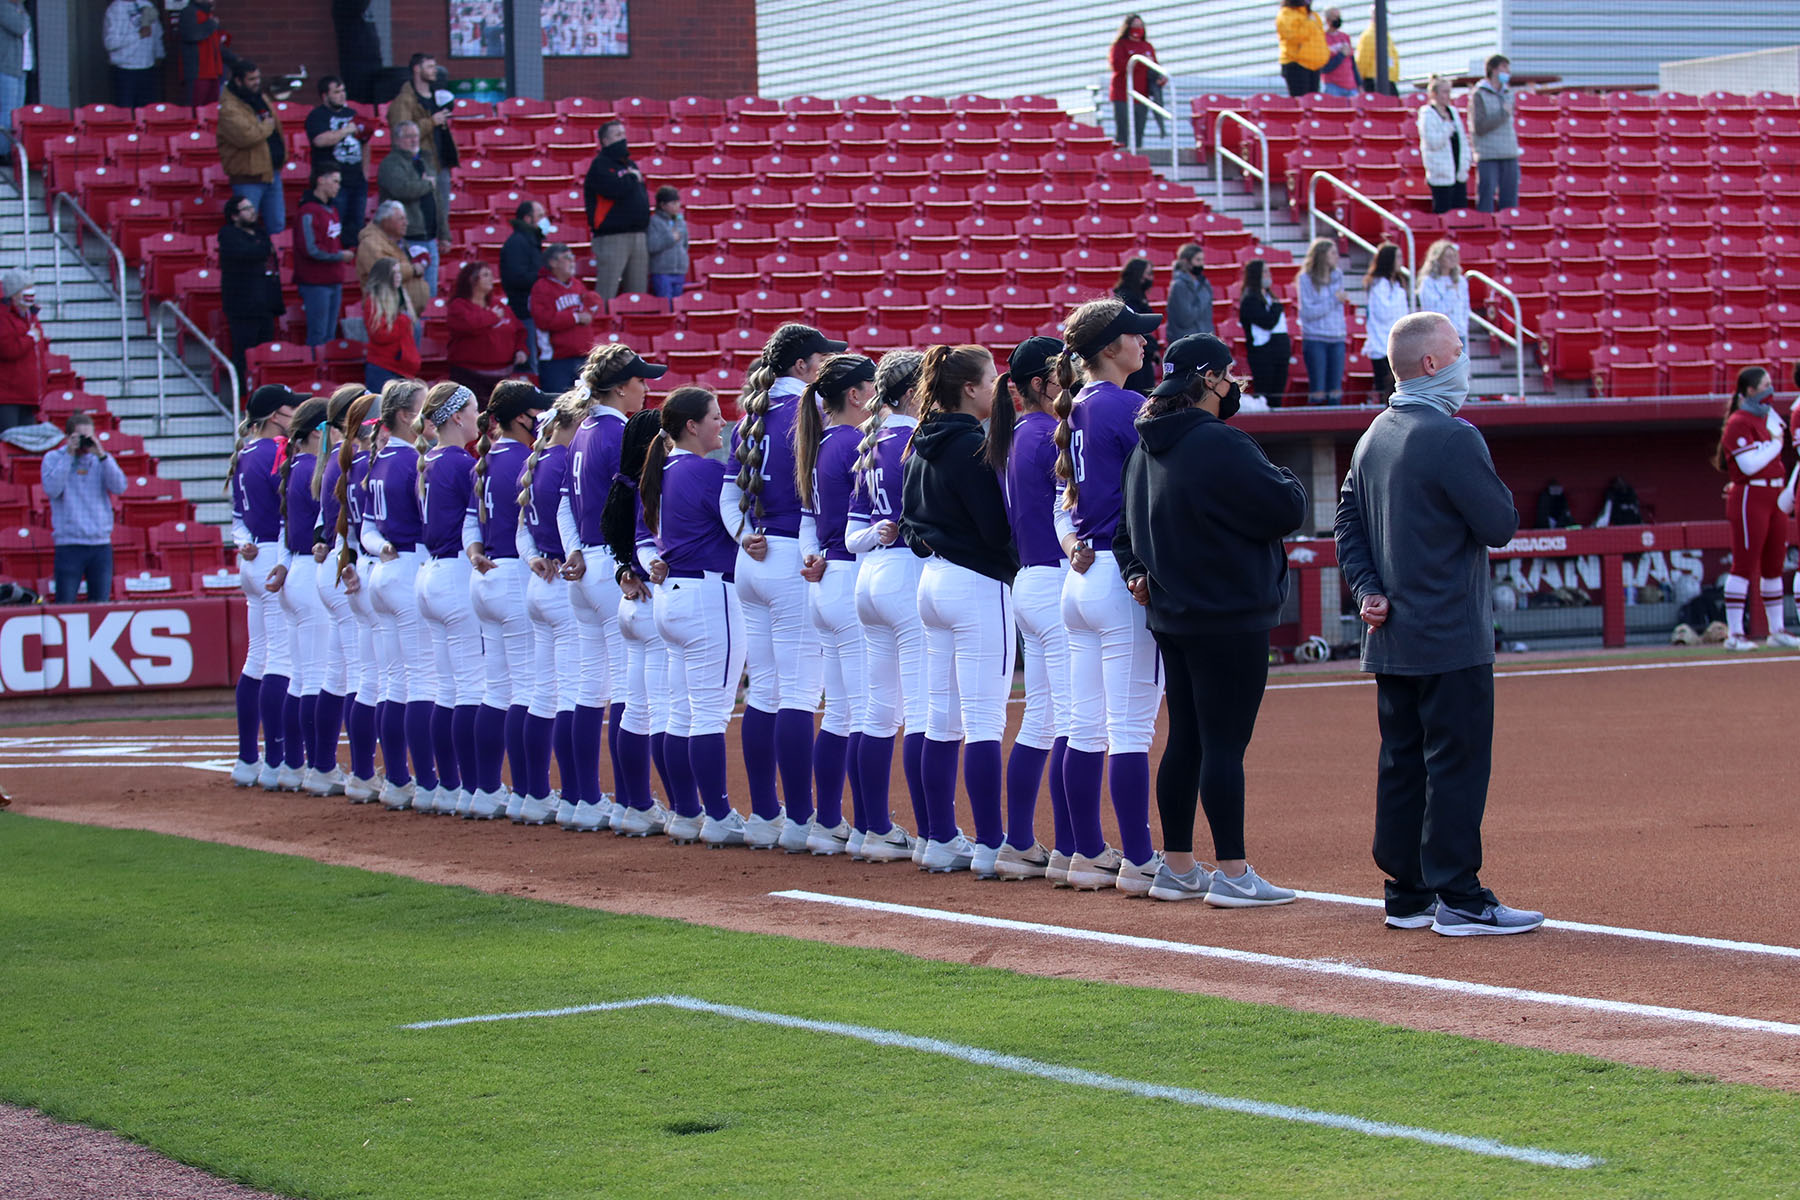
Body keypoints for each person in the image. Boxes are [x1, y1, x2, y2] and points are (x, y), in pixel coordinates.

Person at [1334, 310, 1543, 936]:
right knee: (1456, 763)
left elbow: (1346, 524)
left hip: (1391, 636)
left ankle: (1407, 893)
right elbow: (1500, 524)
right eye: (1458, 350)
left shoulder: (1374, 433)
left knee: (1403, 763)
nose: (1465, 360)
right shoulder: (1453, 435)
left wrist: (1367, 589)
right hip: (1450, 633)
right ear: (1432, 363)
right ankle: (1460, 896)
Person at [1117, 334, 1307, 905]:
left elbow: (1122, 532)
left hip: (1174, 613)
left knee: (1188, 740)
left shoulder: (1142, 447)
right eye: (1227, 374)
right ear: (1207, 379)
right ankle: (1232, 871)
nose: (1234, 385)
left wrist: (1137, 572)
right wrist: (1287, 480)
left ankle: (1177, 866)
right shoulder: (1222, 443)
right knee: (1225, 744)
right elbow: (1287, 506)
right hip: (1231, 613)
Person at [1054, 297, 1166, 894]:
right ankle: (1139, 858)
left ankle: (1086, 852)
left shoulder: (1075, 405)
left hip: (1081, 574)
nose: (1145, 342)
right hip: (1120, 576)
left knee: (1084, 727)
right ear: (1107, 349)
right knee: (1128, 731)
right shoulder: (1126, 404)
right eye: (1134, 335)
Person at [721, 324, 847, 847]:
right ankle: (801, 820)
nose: (825, 368)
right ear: (801, 367)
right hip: (794, 558)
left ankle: (767, 814)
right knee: (797, 692)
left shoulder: (751, 415)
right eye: (821, 360)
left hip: (753, 560)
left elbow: (729, 497)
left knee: (766, 691)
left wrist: (746, 535)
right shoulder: (812, 412)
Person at [901, 343, 1019, 874]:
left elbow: (909, 524)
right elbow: (995, 529)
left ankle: (936, 839)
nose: (998, 388)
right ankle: (992, 844)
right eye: (992, 380)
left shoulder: (918, 437)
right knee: (984, 722)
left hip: (932, 583)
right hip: (975, 583)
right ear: (969, 388)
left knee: (941, 719)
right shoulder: (972, 442)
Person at [557, 344, 668, 833]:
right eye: (640, 380)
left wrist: (573, 550)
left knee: (588, 687)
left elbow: (564, 500)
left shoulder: (580, 429)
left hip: (588, 563)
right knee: (628, 688)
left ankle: (581, 798)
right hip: (615, 567)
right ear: (621, 387)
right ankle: (633, 802)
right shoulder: (619, 431)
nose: (646, 387)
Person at [640, 386, 748, 845]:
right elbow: (742, 520)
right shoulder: (706, 471)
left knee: (680, 713)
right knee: (707, 714)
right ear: (691, 425)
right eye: (714, 417)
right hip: (706, 594)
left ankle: (687, 811)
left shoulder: (659, 469)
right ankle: (719, 816)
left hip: (671, 595)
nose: (721, 424)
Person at [793, 354, 879, 854]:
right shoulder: (853, 442)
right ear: (855, 394)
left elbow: (810, 518)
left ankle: (830, 821)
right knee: (866, 711)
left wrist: (812, 555)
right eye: (870, 387)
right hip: (849, 577)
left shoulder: (822, 442)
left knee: (841, 712)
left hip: (827, 577)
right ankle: (870, 827)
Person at [846, 351, 928, 863]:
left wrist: (877, 533)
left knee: (876, 710)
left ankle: (869, 827)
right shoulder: (914, 439)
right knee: (922, 709)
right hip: (905, 577)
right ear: (914, 391)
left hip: (869, 576)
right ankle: (934, 832)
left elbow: (851, 536)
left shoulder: (870, 442)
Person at [998, 337, 1072, 880]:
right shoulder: (1051, 433)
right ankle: (1075, 845)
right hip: (1055, 578)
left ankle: (1020, 841)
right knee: (1074, 720)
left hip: (1028, 579)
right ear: (1041, 383)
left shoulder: (1014, 435)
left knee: (1041, 719)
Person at [360, 378, 442, 811]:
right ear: (409, 416)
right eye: (425, 408)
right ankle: (427, 782)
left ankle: (396, 778)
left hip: (384, 569)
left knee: (394, 681)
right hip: (410, 566)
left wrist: (381, 548)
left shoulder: (378, 457)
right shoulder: (412, 460)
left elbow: (367, 530)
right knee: (422, 681)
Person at [601, 408, 677, 835]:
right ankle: (681, 805)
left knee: (633, 710)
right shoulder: (658, 482)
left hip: (630, 604)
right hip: (653, 603)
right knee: (664, 712)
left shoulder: (625, 483)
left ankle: (633, 804)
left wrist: (623, 570)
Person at [411, 381, 485, 814]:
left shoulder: (430, 459)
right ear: (457, 416)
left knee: (447, 689)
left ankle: (448, 784)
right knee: (471, 688)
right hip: (455, 571)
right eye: (474, 409)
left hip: (430, 571)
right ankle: (475, 787)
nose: (478, 417)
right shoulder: (460, 462)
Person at [226, 384, 299, 790]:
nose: (296, 415)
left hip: (253, 556)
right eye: (291, 409)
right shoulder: (276, 451)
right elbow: (290, 510)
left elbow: (237, 518)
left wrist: (242, 542)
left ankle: (247, 759)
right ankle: (276, 761)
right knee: (280, 661)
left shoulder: (243, 453)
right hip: (276, 556)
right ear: (275, 415)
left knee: (258, 657)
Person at [515, 394, 583, 826]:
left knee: (543, 693)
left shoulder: (537, 460)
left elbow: (520, 527)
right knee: (575, 696)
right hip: (563, 581)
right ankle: (577, 795)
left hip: (540, 578)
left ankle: (534, 792)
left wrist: (531, 557)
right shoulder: (562, 460)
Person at [266, 397, 333, 797]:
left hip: (296, 569)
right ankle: (316, 766)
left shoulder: (293, 465)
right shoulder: (313, 467)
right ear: (316, 433)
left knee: (301, 676)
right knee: (315, 678)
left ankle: (294, 763)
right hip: (308, 571)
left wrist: (283, 562)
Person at [1715, 368, 1800, 652]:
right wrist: (1776, 444)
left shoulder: (1765, 416)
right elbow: (1750, 465)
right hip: (1751, 493)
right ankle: (1735, 633)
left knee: (1774, 565)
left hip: (1774, 493)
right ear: (1750, 390)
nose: (1770, 389)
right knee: (1744, 564)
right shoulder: (1739, 421)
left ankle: (1776, 630)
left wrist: (1775, 440)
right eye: (1765, 385)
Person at [40, 411, 129, 605]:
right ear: (68, 437)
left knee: (100, 606)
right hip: (69, 545)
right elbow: (52, 490)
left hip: (100, 545)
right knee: (65, 604)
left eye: (88, 437)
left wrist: (103, 456)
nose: (84, 442)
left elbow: (120, 486)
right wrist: (69, 455)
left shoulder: (102, 460)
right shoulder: (53, 458)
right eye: (80, 437)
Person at [385, 52, 457, 257]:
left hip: (439, 162)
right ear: (416, 69)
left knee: (440, 208)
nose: (435, 70)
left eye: (435, 66)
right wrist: (431, 122)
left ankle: (438, 243)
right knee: (419, 212)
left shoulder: (436, 96)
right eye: (430, 66)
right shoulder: (404, 100)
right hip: (417, 165)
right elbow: (401, 132)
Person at [217, 193, 283, 394]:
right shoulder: (227, 234)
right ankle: (243, 394)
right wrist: (260, 250)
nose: (252, 212)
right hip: (242, 305)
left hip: (265, 303)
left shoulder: (260, 233)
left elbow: (264, 251)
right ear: (235, 215)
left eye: (252, 208)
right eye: (246, 209)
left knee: (265, 352)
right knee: (243, 352)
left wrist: (259, 249)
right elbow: (249, 253)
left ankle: (265, 392)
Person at [217, 60, 287, 235]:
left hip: (271, 172)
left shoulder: (260, 97)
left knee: (278, 226)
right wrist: (266, 126)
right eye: (251, 79)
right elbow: (245, 137)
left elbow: (276, 127)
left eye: (258, 78)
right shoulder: (229, 108)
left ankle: (277, 261)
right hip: (248, 178)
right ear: (239, 81)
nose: (257, 82)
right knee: (246, 227)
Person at [584, 120, 651, 301]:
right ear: (605, 141)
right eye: (618, 135)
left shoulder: (630, 164)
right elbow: (612, 189)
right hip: (612, 237)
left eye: (624, 134)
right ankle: (601, 326)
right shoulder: (600, 165)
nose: (623, 139)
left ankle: (634, 327)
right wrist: (631, 178)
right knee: (607, 289)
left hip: (638, 235)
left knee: (637, 294)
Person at [528, 243, 603, 394]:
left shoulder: (577, 284)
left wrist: (590, 308)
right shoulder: (541, 287)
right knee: (559, 406)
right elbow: (543, 320)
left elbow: (590, 304)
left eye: (573, 257)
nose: (572, 261)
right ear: (553, 263)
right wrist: (575, 317)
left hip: (583, 357)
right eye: (567, 258)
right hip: (556, 361)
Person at [378, 121, 441, 299]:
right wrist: (427, 183)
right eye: (408, 136)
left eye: (416, 136)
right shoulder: (391, 164)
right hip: (407, 240)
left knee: (430, 296)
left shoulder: (424, 162)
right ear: (397, 140)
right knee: (410, 295)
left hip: (429, 237)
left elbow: (438, 200)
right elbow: (402, 189)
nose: (414, 140)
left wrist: (444, 233)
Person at [445, 260, 527, 395]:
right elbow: (469, 325)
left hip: (503, 378)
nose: (491, 279)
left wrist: (521, 349)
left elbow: (519, 330)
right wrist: (492, 317)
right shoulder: (458, 306)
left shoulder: (498, 305)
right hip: (470, 377)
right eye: (485, 275)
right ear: (472, 279)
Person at [305, 75, 371, 245]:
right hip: (333, 183)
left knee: (357, 228)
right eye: (336, 92)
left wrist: (365, 172)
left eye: (343, 91)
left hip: (356, 181)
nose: (342, 95)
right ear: (325, 96)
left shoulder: (353, 114)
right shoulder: (317, 116)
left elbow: (366, 142)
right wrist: (347, 130)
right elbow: (320, 140)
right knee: (334, 228)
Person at [294, 167, 354, 347]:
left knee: (329, 334)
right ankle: (315, 371)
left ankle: (326, 372)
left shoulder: (332, 210)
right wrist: (339, 255)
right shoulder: (308, 212)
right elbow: (310, 248)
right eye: (335, 181)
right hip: (316, 283)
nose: (338, 186)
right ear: (321, 180)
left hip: (334, 279)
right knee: (318, 334)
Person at [1297, 238, 1347, 405]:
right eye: (1332, 252)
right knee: (1317, 389)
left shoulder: (1338, 275)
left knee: (1335, 389)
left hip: (1338, 337)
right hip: (1315, 338)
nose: (1337, 256)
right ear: (1322, 255)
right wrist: (1333, 300)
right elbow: (1308, 313)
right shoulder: (1305, 279)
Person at [356, 199, 429, 314]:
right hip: (387, 312)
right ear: (385, 221)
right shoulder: (370, 244)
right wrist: (413, 269)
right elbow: (383, 271)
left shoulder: (399, 241)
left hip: (408, 309)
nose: (406, 223)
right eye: (401, 219)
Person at [501, 199, 549, 368]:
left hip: (532, 309)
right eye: (541, 215)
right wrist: (543, 277)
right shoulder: (518, 243)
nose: (545, 219)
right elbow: (516, 277)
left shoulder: (530, 241)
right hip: (524, 310)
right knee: (531, 361)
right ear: (528, 219)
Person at [1470, 54, 1521, 213]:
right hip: (1488, 154)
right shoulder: (1479, 94)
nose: (1508, 71)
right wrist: (1502, 114)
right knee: (1486, 199)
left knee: (1510, 200)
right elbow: (1479, 126)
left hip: (1509, 152)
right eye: (1503, 67)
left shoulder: (1508, 93)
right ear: (1493, 69)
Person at [1363, 242, 1410, 404]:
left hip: (1399, 344)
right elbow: (1383, 313)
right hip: (1381, 343)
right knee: (1385, 385)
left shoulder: (1398, 283)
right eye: (1397, 257)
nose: (1400, 260)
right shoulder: (1378, 284)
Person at [363, 257, 420, 392]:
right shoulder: (374, 302)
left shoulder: (403, 298)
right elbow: (380, 335)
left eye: (399, 273)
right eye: (393, 273)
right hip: (383, 369)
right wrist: (404, 320)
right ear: (383, 275)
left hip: (404, 369)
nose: (398, 277)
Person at [1239, 258, 1290, 406]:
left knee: (1277, 394)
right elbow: (1267, 322)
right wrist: (1276, 308)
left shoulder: (1271, 298)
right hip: (1263, 355)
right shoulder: (1249, 300)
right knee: (1265, 395)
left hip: (1280, 352)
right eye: (1265, 272)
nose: (1269, 275)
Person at [1418, 74, 1471, 214]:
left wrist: (1466, 161)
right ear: (1434, 94)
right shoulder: (1427, 114)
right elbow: (1432, 142)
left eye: (1449, 92)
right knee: (1443, 212)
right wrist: (1447, 128)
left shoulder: (1453, 111)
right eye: (1445, 92)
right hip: (1441, 174)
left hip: (1458, 173)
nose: (1448, 96)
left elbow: (1463, 140)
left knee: (1460, 212)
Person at [0, 269, 43, 429]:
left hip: (28, 394)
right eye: (25, 288)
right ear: (14, 294)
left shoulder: (31, 316)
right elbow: (8, 349)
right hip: (7, 397)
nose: (30, 292)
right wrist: (30, 338)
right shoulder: (3, 317)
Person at [103, 0, 165, 110]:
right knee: (125, 112)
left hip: (148, 68)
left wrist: (159, 54)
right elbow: (110, 43)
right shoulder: (116, 8)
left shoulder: (146, 4)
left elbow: (157, 33)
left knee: (148, 112)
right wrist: (138, 35)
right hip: (125, 70)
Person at [1108, 14, 1159, 148]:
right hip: (1123, 95)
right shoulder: (1120, 45)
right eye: (1135, 25)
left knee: (1138, 131)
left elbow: (1155, 68)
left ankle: (1137, 159)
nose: (1138, 29)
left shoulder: (1147, 46)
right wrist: (1136, 60)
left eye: (1140, 25)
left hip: (1142, 95)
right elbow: (1117, 66)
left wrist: (1160, 79)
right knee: (1124, 130)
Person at [1112, 257, 1161, 394]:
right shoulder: (1125, 299)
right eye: (1148, 274)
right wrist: (1151, 346)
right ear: (1137, 274)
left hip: (1141, 356)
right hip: (1131, 358)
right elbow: (1133, 327)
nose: (1151, 278)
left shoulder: (1137, 297)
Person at [177, 0, 231, 107]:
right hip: (198, 72)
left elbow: (219, 43)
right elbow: (192, 35)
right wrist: (211, 24)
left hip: (215, 72)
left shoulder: (209, 15)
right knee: (196, 109)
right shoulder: (189, 12)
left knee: (213, 110)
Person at [1417, 239, 1469, 346]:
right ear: (1438, 258)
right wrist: (1451, 293)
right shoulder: (1428, 282)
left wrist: (1463, 326)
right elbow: (1432, 310)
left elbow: (1465, 307)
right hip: (1439, 335)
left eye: (1454, 255)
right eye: (1448, 256)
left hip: (1459, 333)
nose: (1452, 259)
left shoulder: (1461, 281)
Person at [1275, 0, 1328, 98]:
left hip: (1314, 65)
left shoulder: (1312, 15)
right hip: (1296, 64)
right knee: (1301, 101)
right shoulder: (1286, 14)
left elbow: (1320, 37)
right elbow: (1293, 36)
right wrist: (1309, 23)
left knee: (1313, 101)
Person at [645, 186, 690, 300]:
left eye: (677, 202)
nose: (677, 206)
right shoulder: (654, 222)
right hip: (662, 272)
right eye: (673, 203)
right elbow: (651, 246)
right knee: (665, 304)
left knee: (677, 304)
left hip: (679, 271)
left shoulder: (681, 221)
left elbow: (685, 244)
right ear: (663, 205)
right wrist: (670, 239)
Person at [1165, 242, 1214, 344]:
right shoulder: (1179, 286)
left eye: (1202, 260)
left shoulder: (1204, 283)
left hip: (1203, 339)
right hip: (1185, 342)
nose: (1201, 264)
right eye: (1197, 260)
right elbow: (1185, 318)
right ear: (1186, 261)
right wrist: (1204, 297)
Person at [1318, 7, 1360, 97]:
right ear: (1327, 20)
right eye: (1335, 17)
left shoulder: (1345, 37)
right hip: (1333, 86)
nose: (1338, 19)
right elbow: (1324, 68)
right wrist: (1341, 55)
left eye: (1339, 16)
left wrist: (1359, 84)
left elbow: (1352, 63)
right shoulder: (1322, 38)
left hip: (1351, 86)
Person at [0, 0, 23, 158]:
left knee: (18, 113)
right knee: (7, 112)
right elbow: (20, 27)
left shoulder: (18, 9)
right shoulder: (3, 6)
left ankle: (15, 152)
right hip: (6, 66)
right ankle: (4, 152)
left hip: (21, 68)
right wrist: (22, 14)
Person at [1355, 20, 1401, 96]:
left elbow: (1394, 58)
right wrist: (1360, 81)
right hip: (1373, 82)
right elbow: (1362, 61)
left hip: (1389, 81)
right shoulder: (1368, 36)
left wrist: (1394, 77)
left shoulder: (1387, 35)